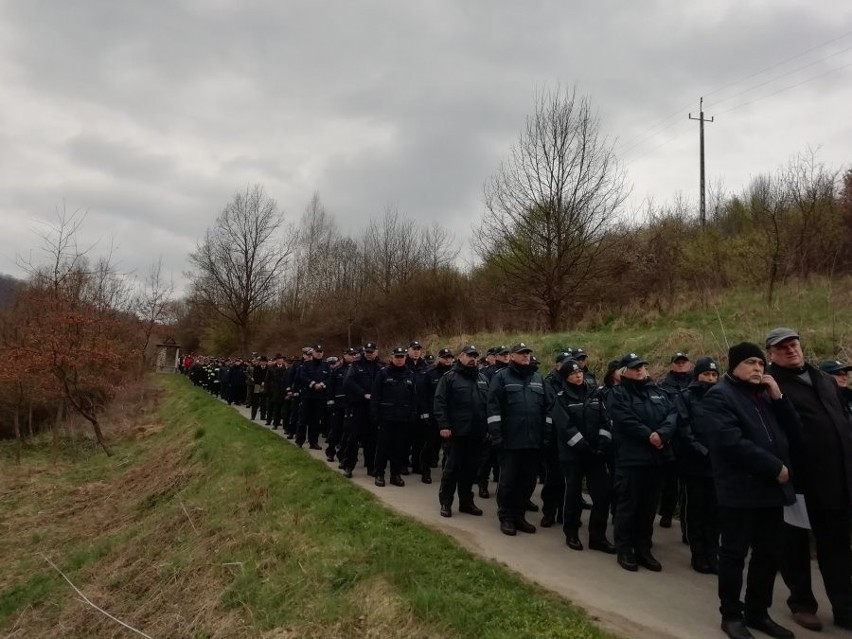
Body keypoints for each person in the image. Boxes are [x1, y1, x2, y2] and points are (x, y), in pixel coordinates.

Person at [702, 342, 798, 639]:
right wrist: (774, 467)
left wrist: (780, 398)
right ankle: (731, 614)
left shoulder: (765, 396)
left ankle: (758, 612)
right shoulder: (719, 396)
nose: (758, 368)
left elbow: (795, 431)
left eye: (760, 363)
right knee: (734, 554)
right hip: (740, 491)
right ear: (734, 366)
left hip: (771, 492)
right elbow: (731, 442)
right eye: (750, 363)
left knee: (768, 554)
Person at [766, 327, 852, 633]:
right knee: (795, 546)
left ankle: (844, 607)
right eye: (782, 347)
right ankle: (802, 603)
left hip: (835, 478)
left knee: (837, 546)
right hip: (798, 481)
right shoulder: (769, 384)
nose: (791, 349)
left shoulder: (824, 379)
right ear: (771, 353)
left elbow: (842, 421)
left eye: (794, 343)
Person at [606, 353, 677, 572]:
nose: (640, 370)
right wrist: (649, 435)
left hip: (656, 459)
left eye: (642, 367)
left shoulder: (658, 392)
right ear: (624, 371)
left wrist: (662, 434)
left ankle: (643, 548)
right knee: (628, 506)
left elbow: (672, 414)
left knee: (648, 508)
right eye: (635, 367)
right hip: (631, 459)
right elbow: (624, 419)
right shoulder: (617, 394)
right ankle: (625, 548)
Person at [487, 342, 552, 536]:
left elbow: (547, 410)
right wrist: (497, 435)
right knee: (508, 481)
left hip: (533, 441)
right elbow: (493, 408)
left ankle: (519, 515)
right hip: (510, 441)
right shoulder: (501, 378)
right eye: (521, 353)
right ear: (512, 357)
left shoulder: (539, 379)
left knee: (528, 481)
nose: (526, 356)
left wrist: (546, 434)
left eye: (528, 353)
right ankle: (506, 516)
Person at [550, 358, 615, 554]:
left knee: (602, 496)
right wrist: (585, 448)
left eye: (580, 372)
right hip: (574, 456)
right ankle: (571, 532)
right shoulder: (561, 399)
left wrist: (602, 444)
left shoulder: (595, 394)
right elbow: (565, 429)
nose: (578, 375)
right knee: (573, 495)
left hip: (596, 455)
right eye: (573, 373)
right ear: (565, 377)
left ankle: (597, 537)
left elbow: (606, 420)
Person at [674, 356, 720, 574]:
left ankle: (713, 553)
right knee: (697, 510)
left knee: (714, 512)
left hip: (717, 465)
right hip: (694, 463)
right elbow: (683, 428)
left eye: (713, 374)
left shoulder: (722, 397)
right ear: (697, 376)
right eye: (706, 374)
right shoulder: (686, 396)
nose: (710, 378)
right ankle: (698, 554)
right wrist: (702, 451)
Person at [433, 344, 488, 517]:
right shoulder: (449, 378)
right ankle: (446, 502)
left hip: (476, 433)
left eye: (475, 356)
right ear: (461, 356)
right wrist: (444, 425)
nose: (473, 359)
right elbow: (440, 402)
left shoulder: (483, 378)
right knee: (452, 469)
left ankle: (466, 502)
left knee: (470, 470)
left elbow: (488, 405)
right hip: (456, 432)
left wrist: (488, 428)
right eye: (469, 355)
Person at [372, 346, 418, 487]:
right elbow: (375, 396)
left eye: (402, 357)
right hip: (386, 418)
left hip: (402, 418)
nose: (399, 359)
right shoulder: (383, 373)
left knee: (399, 449)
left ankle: (395, 475)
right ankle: (379, 473)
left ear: (405, 358)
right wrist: (375, 415)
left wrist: (413, 414)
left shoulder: (410, 374)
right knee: (383, 448)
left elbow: (414, 397)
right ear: (392, 357)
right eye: (397, 356)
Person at [341, 342, 382, 478]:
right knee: (353, 437)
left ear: (377, 351)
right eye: (367, 351)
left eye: (372, 351)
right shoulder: (356, 365)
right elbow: (348, 382)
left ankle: (371, 467)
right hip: (358, 405)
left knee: (372, 439)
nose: (369, 354)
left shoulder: (381, 367)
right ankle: (348, 465)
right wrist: (363, 393)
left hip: (374, 407)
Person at [478, 345, 509, 498]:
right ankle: (482, 484)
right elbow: (486, 401)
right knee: (487, 457)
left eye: (507, 354)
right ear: (495, 356)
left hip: (508, 421)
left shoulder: (512, 372)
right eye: (502, 355)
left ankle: (502, 484)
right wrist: (488, 425)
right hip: (492, 420)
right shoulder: (488, 373)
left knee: (504, 458)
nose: (505, 357)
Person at [296, 345, 331, 449]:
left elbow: (330, 378)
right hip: (307, 396)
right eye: (317, 351)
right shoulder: (306, 365)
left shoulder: (326, 365)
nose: (319, 353)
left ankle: (313, 442)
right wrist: (313, 383)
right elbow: (302, 377)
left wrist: (322, 385)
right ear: (313, 353)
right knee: (303, 419)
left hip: (320, 396)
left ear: (323, 353)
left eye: (320, 351)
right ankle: (300, 440)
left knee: (316, 421)